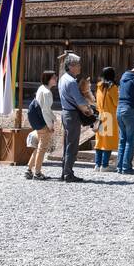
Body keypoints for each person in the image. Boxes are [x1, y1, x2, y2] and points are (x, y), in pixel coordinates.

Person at [56, 52, 93, 182]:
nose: (79, 67)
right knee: (72, 145)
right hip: (72, 114)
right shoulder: (71, 82)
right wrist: (90, 109)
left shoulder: (62, 79)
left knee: (67, 143)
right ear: (71, 66)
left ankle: (64, 171)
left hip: (65, 113)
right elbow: (80, 101)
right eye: (77, 65)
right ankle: (68, 173)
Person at [25, 70, 57, 180]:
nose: (56, 79)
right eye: (54, 77)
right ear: (49, 79)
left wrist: (53, 117)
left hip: (36, 120)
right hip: (43, 121)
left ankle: (29, 170)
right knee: (42, 148)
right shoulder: (47, 92)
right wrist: (50, 126)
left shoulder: (41, 88)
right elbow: (45, 111)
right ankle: (37, 173)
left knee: (39, 147)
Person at [93, 67, 119, 171]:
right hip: (109, 116)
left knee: (99, 141)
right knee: (108, 142)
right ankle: (105, 165)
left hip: (99, 116)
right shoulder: (112, 87)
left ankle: (97, 164)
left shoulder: (99, 86)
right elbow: (116, 102)